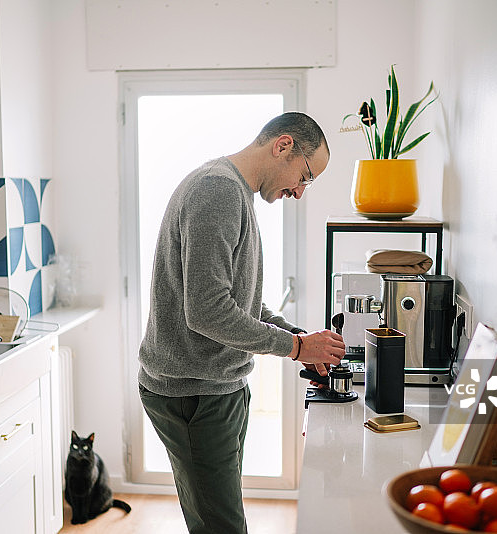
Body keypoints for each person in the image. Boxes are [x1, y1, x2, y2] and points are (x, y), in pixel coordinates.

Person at [138, 112, 345, 534]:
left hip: (217, 387)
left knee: (219, 520)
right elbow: (208, 310)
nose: (300, 192)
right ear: (283, 145)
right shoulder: (218, 191)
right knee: (223, 528)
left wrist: (298, 338)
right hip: (195, 394)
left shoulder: (232, 192)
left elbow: (237, 299)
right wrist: (296, 348)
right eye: (305, 176)